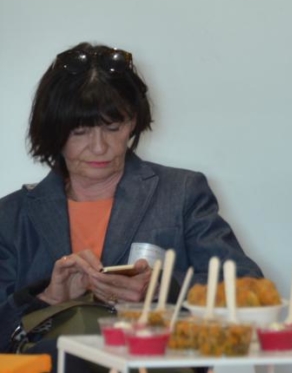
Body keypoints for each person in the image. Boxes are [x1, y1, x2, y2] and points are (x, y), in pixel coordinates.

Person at [0, 43, 263, 362]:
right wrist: (47, 298)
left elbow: (250, 288)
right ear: (54, 130)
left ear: (133, 122)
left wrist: (164, 289)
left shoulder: (181, 192)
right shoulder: (12, 215)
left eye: (113, 128)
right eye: (80, 131)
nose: (99, 147)